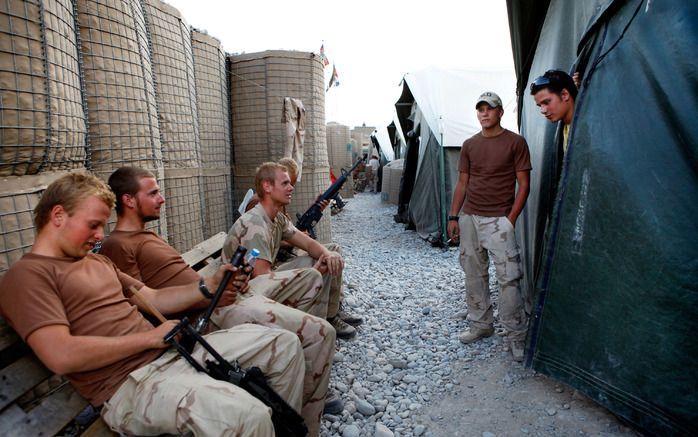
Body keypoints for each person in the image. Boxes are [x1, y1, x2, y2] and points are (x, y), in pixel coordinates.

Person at [0, 172, 306, 436]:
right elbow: (61, 355)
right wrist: (148, 338)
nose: (98, 236)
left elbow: (154, 297)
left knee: (285, 346)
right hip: (128, 386)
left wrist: (207, 287)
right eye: (93, 225)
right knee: (248, 417)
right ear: (57, 216)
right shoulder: (27, 277)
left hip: (173, 355)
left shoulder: (97, 261)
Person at [100, 166, 338, 430]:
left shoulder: (147, 236)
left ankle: (300, 405)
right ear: (129, 200)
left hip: (225, 299)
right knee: (318, 333)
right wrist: (206, 295)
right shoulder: (118, 245)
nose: (162, 198)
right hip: (211, 313)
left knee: (317, 330)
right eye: (153, 193)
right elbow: (145, 306)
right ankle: (301, 422)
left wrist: (224, 283)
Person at [224, 162, 361, 339]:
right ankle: (314, 332)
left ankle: (328, 317)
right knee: (314, 271)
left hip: (263, 279)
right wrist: (309, 273)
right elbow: (262, 278)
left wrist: (328, 255)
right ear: (267, 186)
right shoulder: (255, 222)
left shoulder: (277, 217)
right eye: (285, 184)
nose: (291, 188)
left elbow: (308, 243)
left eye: (290, 183)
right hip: (245, 294)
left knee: (328, 254)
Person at [447, 91, 531, 362]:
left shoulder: (515, 142)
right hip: (470, 218)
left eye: (489, 109)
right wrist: (453, 216)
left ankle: (516, 335)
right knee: (473, 273)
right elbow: (462, 183)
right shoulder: (470, 144)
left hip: (499, 220)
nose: (484, 113)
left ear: (499, 112)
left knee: (509, 279)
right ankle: (481, 325)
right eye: (480, 109)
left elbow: (524, 185)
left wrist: (511, 220)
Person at [529, 69, 578, 153]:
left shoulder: (588, 128)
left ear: (564, 95)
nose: (542, 110)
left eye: (546, 102)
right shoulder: (564, 128)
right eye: (540, 105)